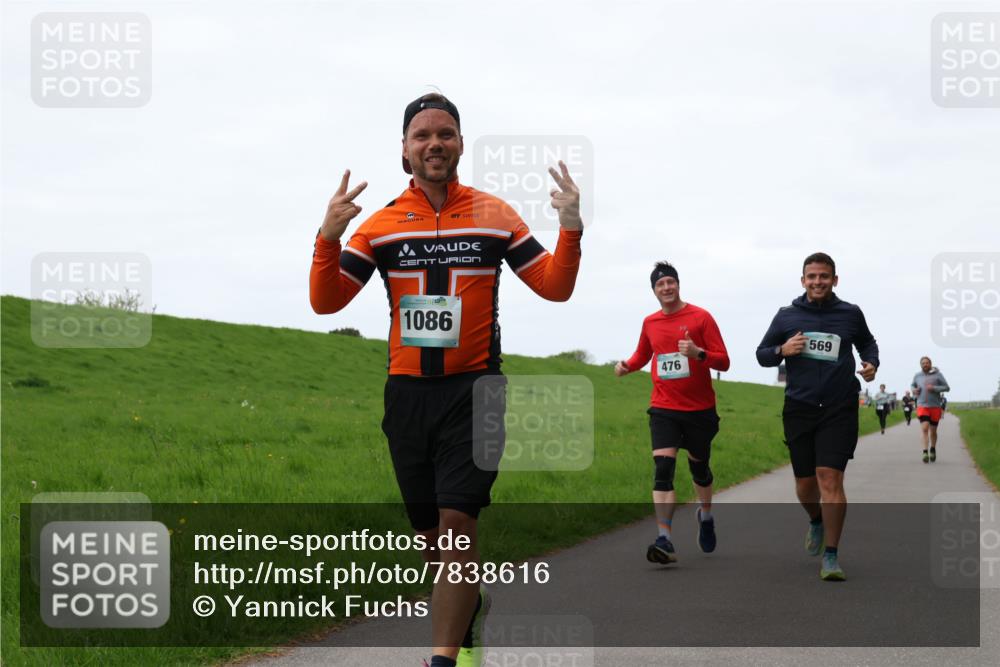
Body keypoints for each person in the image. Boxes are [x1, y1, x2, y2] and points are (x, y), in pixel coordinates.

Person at [309, 93, 584, 667]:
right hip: (407, 396)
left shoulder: (495, 215)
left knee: (459, 525)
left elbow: (554, 287)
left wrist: (571, 229)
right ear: (405, 152)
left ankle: (442, 660)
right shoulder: (382, 225)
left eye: (446, 133)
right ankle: (470, 604)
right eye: (422, 136)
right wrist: (328, 238)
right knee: (434, 541)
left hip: (476, 392)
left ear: (461, 143)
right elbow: (327, 302)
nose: (435, 143)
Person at [756, 252, 879, 581]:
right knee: (805, 485)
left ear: (835, 279)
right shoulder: (787, 316)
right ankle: (815, 519)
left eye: (824, 276)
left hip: (840, 406)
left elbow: (868, 343)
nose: (818, 282)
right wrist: (783, 350)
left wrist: (871, 364)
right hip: (800, 408)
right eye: (812, 276)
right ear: (803, 281)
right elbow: (761, 355)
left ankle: (831, 556)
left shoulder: (850, 313)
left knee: (830, 478)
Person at [614, 262, 731, 564]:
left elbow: (724, 362)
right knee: (663, 470)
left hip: (700, 410)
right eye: (659, 284)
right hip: (664, 407)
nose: (666, 288)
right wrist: (627, 365)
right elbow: (644, 353)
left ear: (678, 285)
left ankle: (705, 516)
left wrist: (697, 353)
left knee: (699, 469)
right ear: (653, 290)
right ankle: (664, 539)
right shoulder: (650, 322)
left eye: (670, 282)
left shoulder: (700, 317)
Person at [912, 357, 950, 464]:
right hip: (922, 405)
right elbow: (912, 385)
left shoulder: (938, 375)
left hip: (935, 406)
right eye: (923, 363)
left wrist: (934, 388)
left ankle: (932, 449)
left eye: (927, 363)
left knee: (933, 431)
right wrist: (914, 390)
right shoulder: (917, 376)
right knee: (925, 428)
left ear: (930, 364)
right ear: (920, 365)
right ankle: (925, 452)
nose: (925, 365)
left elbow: (947, 388)